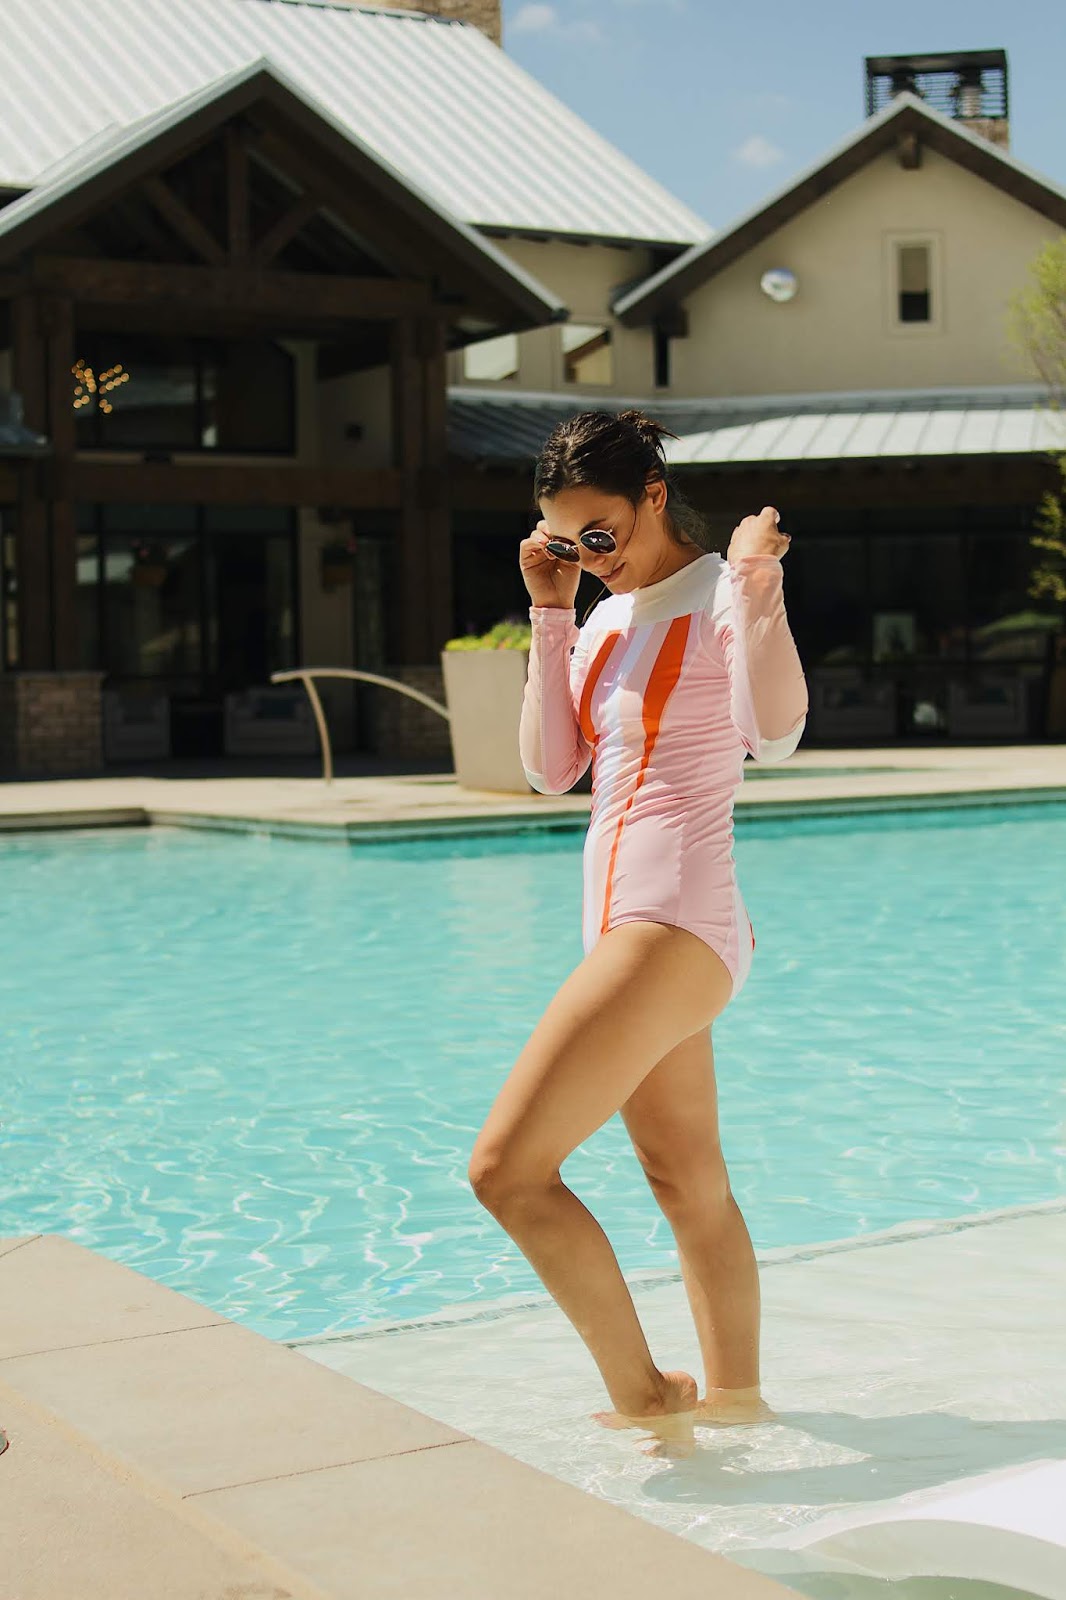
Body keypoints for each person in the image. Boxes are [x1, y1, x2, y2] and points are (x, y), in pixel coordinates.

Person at [467, 410, 808, 1457]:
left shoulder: (717, 595)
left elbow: (776, 734)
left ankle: (649, 1392)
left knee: (506, 1169)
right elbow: (548, 768)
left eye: (601, 533)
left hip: (674, 921)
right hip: (630, 932)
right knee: (684, 1180)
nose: (591, 554)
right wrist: (552, 610)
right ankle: (738, 1402)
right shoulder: (605, 618)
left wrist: (755, 579)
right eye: (567, 538)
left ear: (653, 496)